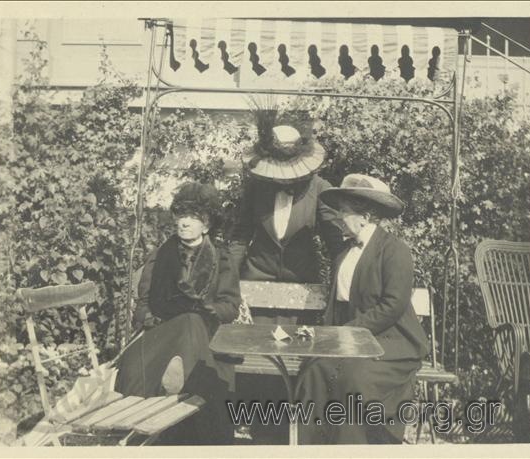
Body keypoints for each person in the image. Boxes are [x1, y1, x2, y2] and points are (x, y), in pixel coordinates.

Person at [299, 173, 429, 445]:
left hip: (390, 343)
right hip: (350, 341)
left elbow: (392, 306)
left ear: (364, 216)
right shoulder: (343, 253)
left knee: (353, 379)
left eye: (343, 212)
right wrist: (322, 337)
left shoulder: (395, 251)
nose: (337, 219)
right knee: (313, 371)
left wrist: (348, 333)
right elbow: (338, 305)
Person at [115, 182, 240, 445]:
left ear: (207, 225)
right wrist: (152, 319)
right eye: (181, 216)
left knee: (193, 322)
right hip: (162, 334)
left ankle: (181, 397)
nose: (184, 223)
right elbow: (143, 304)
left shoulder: (221, 258)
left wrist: (209, 309)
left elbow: (230, 307)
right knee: (185, 324)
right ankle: (176, 387)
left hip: (204, 337)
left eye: (193, 217)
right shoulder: (160, 256)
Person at [229, 110, 344, 325]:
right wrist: (229, 279)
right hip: (257, 280)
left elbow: (335, 243)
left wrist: (339, 286)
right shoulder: (256, 188)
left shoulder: (320, 189)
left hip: (302, 285)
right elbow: (240, 237)